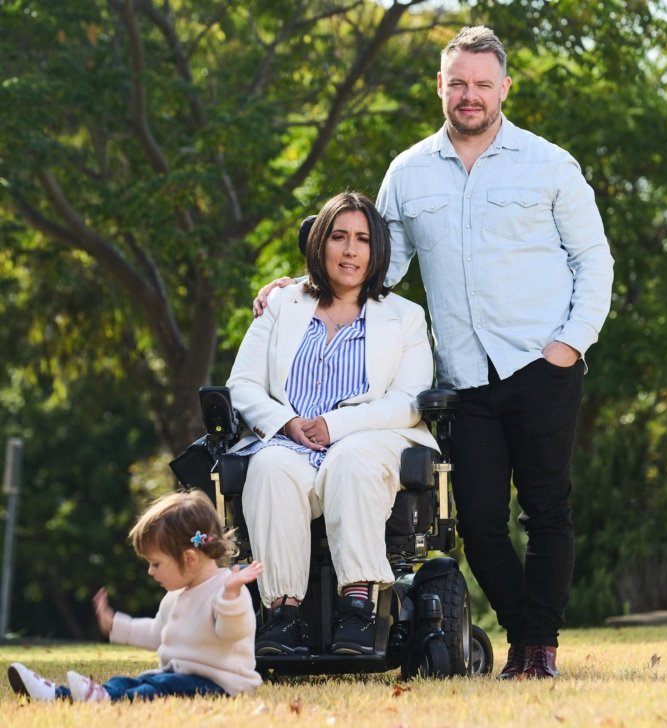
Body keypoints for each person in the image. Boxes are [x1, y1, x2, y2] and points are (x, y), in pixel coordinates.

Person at [254, 27, 614, 678]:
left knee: (546, 511)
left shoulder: (549, 165)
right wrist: (299, 284)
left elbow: (593, 261)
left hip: (542, 367)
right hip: (460, 380)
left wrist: (569, 345)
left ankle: (539, 651)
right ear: (440, 88)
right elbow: (372, 266)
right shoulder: (408, 172)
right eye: (458, 83)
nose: (469, 94)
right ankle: (523, 631)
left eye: (482, 83)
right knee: (477, 524)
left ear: (504, 88)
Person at [226, 191, 437, 657]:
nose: (350, 250)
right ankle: (282, 614)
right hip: (291, 442)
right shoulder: (282, 304)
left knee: (351, 457)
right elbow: (241, 384)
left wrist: (336, 425)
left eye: (362, 239)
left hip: (367, 440)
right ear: (320, 244)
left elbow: (409, 401)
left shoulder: (404, 317)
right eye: (339, 237)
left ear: (376, 251)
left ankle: (360, 608)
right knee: (270, 468)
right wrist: (286, 423)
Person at [8, 490, 263, 702]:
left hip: (221, 687)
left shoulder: (228, 589)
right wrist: (115, 625)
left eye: (156, 563)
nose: (150, 571)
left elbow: (233, 632)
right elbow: (157, 633)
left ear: (189, 558)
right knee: (129, 681)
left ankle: (105, 701)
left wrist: (230, 596)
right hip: (178, 678)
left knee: (157, 687)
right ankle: (57, 695)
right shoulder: (176, 597)